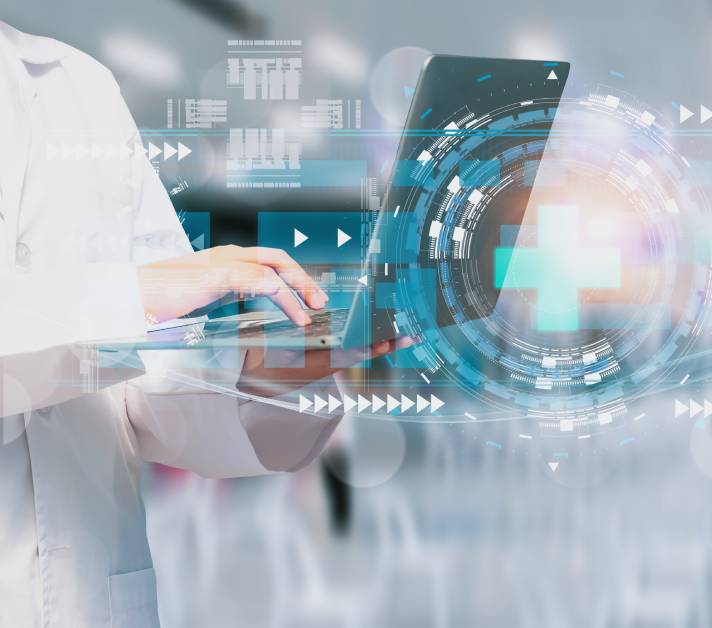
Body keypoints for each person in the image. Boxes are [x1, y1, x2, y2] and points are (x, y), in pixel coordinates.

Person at [0, 21, 410, 626]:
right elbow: (126, 313)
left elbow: (143, 386)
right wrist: (138, 294)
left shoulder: (79, 87)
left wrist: (276, 366)